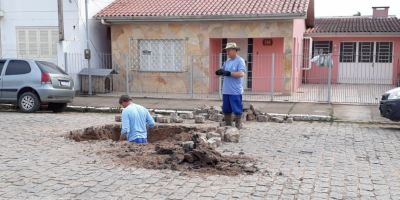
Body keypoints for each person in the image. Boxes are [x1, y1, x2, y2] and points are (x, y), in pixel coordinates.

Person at [215, 42, 246, 129]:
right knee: (226, 109)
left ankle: (238, 125)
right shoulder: (227, 61)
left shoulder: (240, 61)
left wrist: (228, 73)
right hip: (226, 90)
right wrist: (220, 72)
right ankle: (228, 126)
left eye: (229, 50)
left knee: (237, 109)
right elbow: (224, 71)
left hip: (235, 91)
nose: (227, 52)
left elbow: (241, 74)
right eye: (226, 50)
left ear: (235, 50)